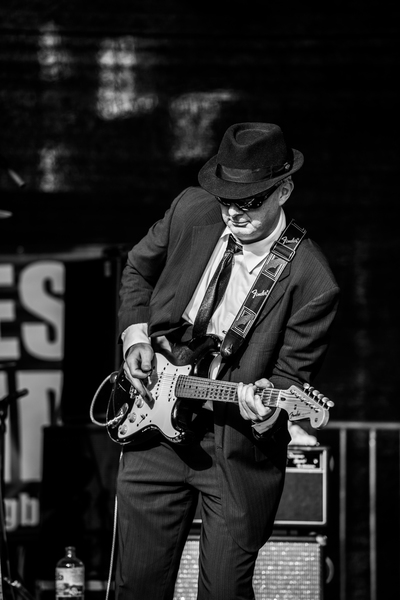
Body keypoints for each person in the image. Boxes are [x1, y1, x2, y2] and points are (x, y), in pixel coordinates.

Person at [115, 122, 340, 600]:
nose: (234, 213)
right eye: (226, 199)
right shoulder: (190, 208)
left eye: (250, 201)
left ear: (284, 190)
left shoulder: (313, 281)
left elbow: (287, 381)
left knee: (224, 592)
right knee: (136, 585)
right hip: (153, 428)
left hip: (233, 448)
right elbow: (137, 269)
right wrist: (135, 336)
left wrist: (266, 410)